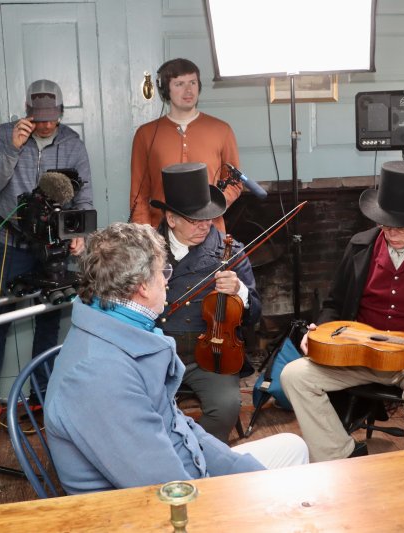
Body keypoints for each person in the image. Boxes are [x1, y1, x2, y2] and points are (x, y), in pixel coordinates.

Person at [44, 222, 307, 494]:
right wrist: (238, 494)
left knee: (293, 447)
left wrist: (242, 470)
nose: (167, 280)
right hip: (148, 512)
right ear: (142, 286)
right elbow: (168, 491)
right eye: (162, 271)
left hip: (186, 475)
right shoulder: (99, 376)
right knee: (284, 493)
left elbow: (180, 429)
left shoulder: (119, 328)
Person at [281, 161, 404, 463]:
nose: (393, 233)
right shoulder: (360, 246)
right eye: (386, 224)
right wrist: (318, 334)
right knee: (294, 375)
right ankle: (340, 455)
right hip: (356, 355)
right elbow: (334, 303)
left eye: (403, 227)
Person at [0, 79, 93, 440]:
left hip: (53, 246)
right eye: (39, 119)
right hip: (12, 243)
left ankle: (41, 398)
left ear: (61, 114)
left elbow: (84, 197)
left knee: (49, 323)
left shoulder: (72, 143)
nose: (46, 125)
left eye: (52, 119)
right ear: (27, 113)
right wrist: (12, 148)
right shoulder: (6, 136)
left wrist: (78, 235)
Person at [151, 162, 261, 442]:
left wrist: (240, 293)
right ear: (171, 219)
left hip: (212, 354)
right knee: (141, 409)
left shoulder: (230, 251)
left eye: (209, 218)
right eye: (194, 219)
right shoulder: (145, 251)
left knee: (226, 408)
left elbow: (256, 313)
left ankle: (202, 457)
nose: (204, 226)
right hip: (157, 354)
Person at [130, 58, 241, 232]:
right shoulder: (145, 135)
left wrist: (213, 206)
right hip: (161, 236)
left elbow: (234, 183)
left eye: (193, 82)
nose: (188, 90)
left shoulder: (222, 130)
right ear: (165, 90)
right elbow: (139, 195)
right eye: (179, 84)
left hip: (210, 233)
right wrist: (145, 237)